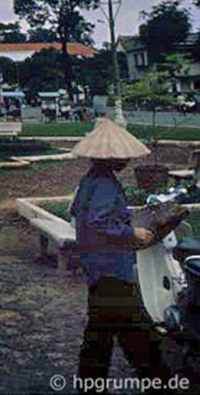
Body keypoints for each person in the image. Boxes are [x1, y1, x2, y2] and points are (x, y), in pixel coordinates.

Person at [70, 117, 170, 382]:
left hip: (97, 269)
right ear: (113, 157)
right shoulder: (104, 184)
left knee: (99, 337)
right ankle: (161, 382)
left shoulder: (91, 179)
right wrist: (131, 232)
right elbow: (98, 221)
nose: (127, 161)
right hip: (111, 270)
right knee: (139, 338)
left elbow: (79, 213)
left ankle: (90, 384)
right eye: (124, 156)